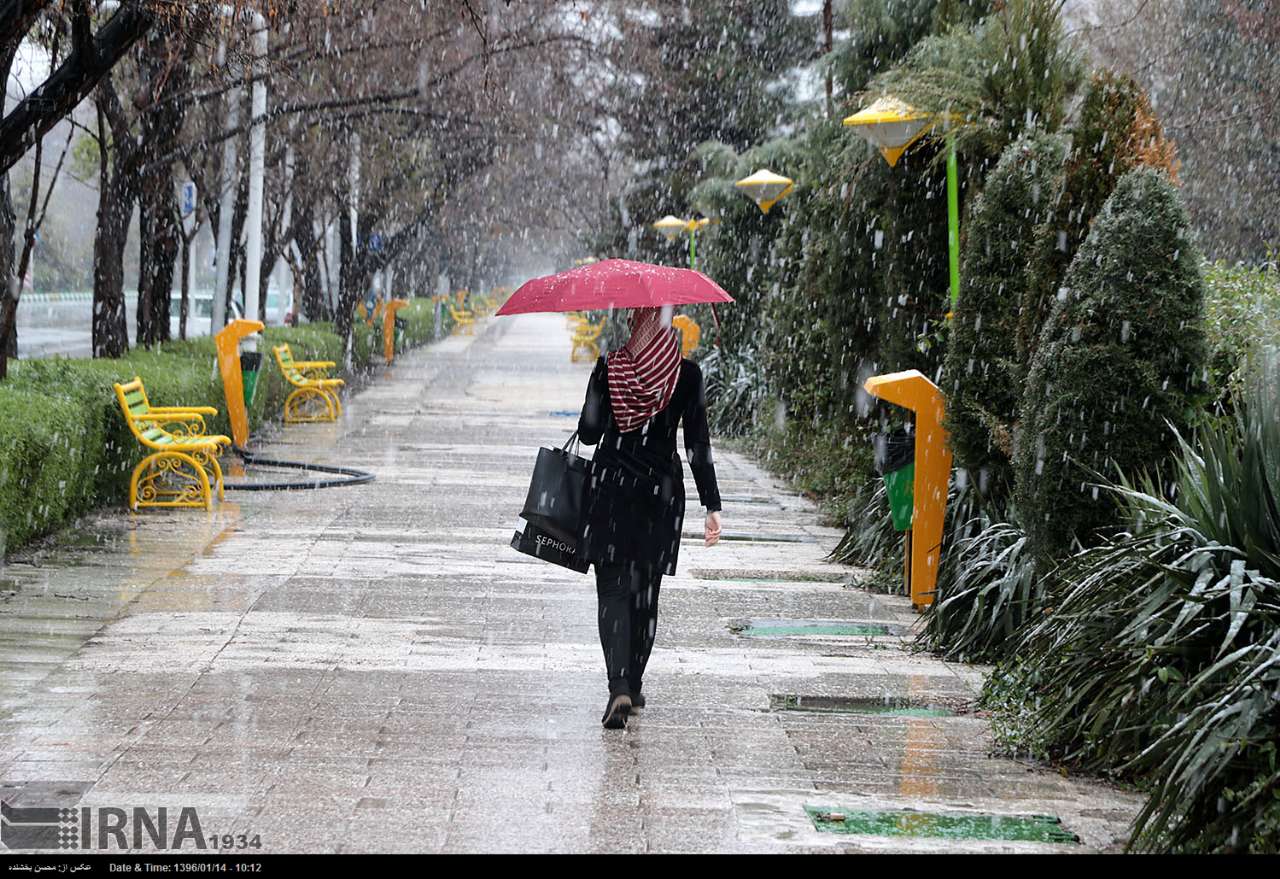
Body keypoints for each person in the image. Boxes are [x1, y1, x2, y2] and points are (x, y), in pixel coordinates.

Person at [577, 305, 722, 729]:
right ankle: (635, 684)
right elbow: (697, 443)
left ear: (634, 324)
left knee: (613, 591)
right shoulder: (686, 375)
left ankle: (618, 685)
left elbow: (588, 433)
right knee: (645, 594)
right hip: (661, 495)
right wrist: (711, 505)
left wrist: (600, 388)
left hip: (611, 490)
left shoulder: (611, 368)